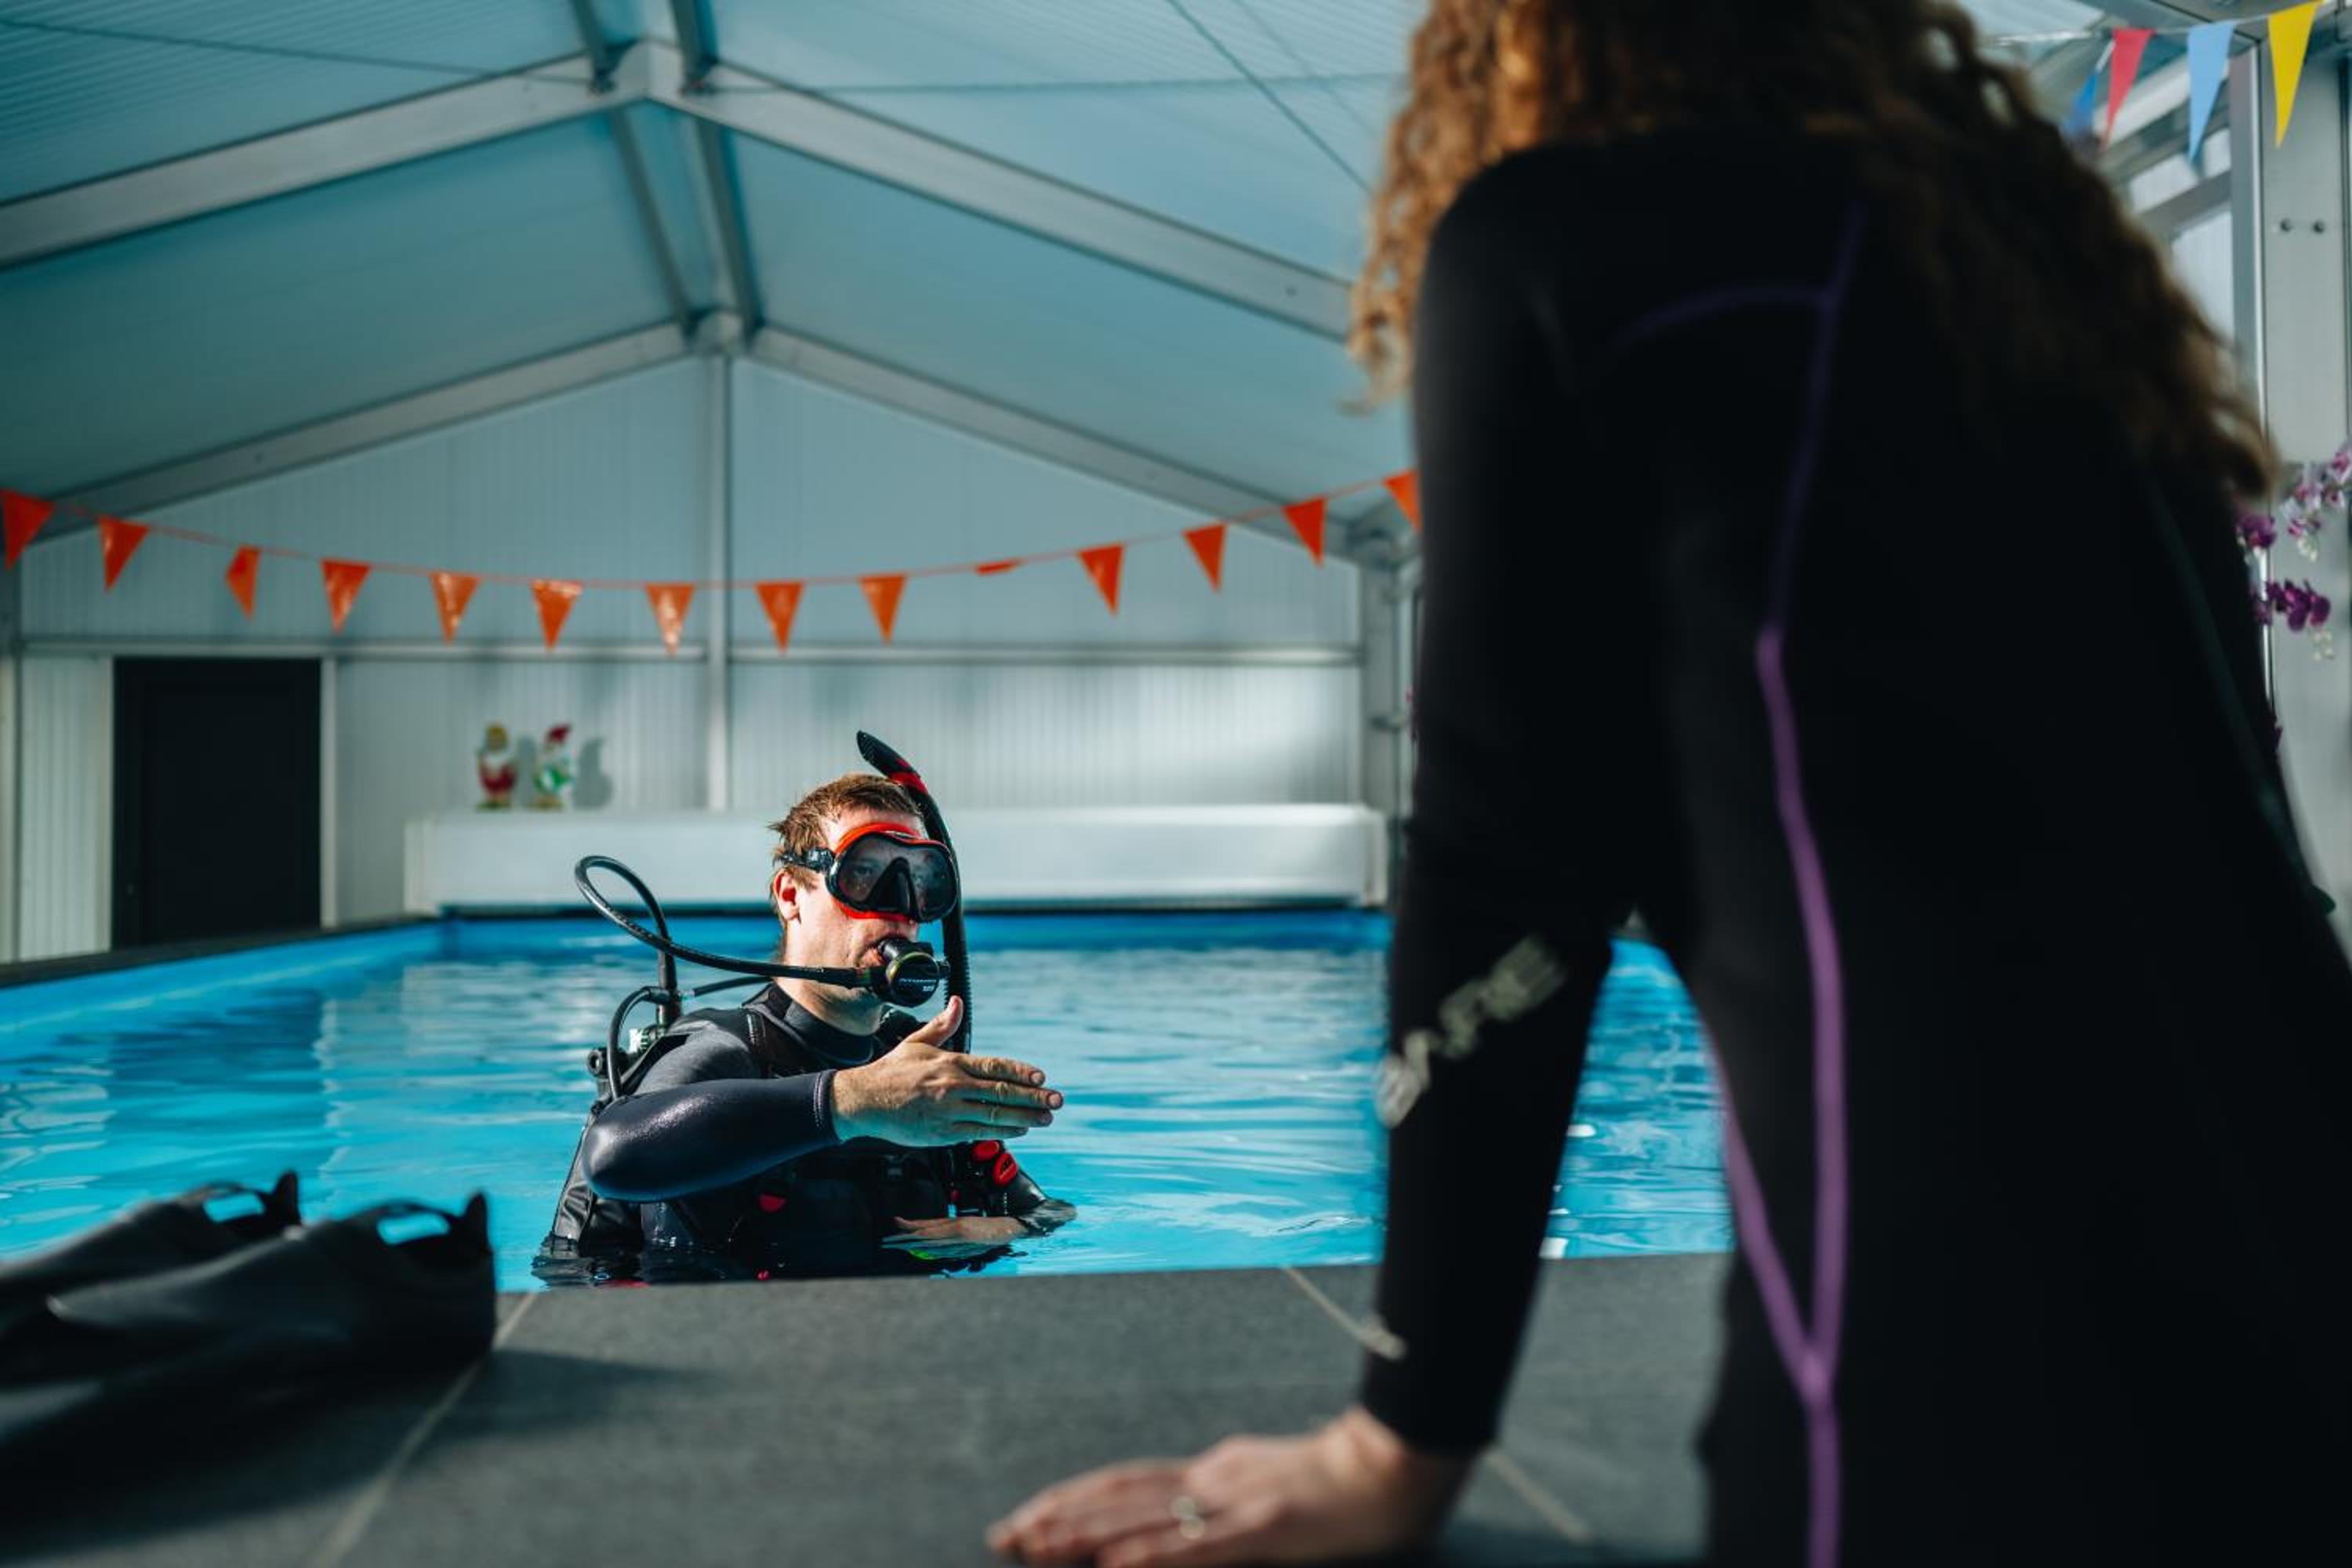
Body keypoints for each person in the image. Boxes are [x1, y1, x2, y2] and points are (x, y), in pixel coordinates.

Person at [991, 2, 2351, 1563]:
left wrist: (1402, 1433)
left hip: (1959, 1334)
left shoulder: (1565, 249)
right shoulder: (2030, 251)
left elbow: (1507, 862)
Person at [538, 774, 1073, 1283]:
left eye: (920, 882)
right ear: (791, 896)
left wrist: (1002, 1230)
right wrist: (851, 1100)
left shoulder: (914, 1062)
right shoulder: (727, 1050)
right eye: (864, 874)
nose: (901, 909)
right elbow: (612, 1156)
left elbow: (1047, 1212)